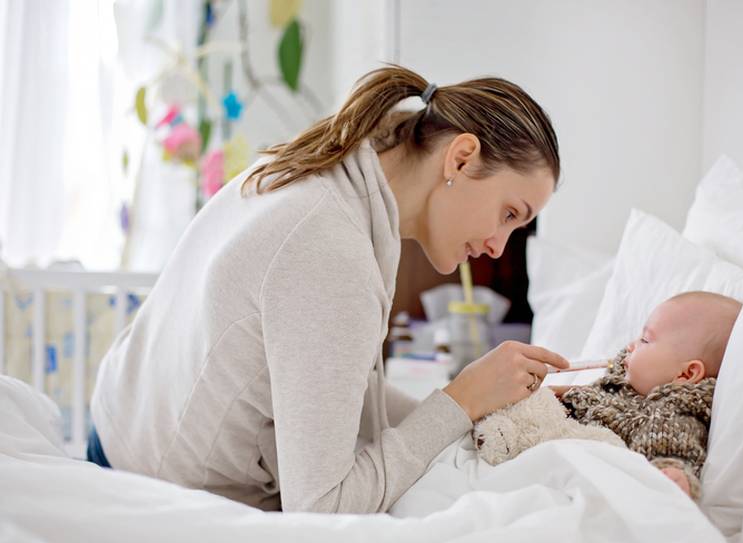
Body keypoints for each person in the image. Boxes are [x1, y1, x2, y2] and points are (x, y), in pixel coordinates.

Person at [87, 65, 569, 513]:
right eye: (509, 214)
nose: (497, 247)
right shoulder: (330, 249)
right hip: (149, 493)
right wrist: (460, 401)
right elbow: (321, 508)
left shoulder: (321, 171)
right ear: (461, 159)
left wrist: (472, 404)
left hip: (119, 430)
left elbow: (331, 384)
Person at [550, 291, 742, 499]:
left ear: (685, 374)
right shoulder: (626, 383)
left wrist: (673, 473)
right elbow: (597, 398)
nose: (632, 345)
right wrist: (566, 395)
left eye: (645, 340)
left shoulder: (670, 412)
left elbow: (671, 446)